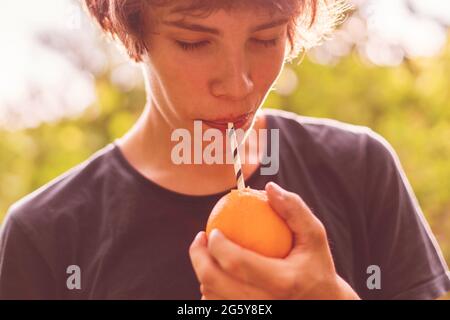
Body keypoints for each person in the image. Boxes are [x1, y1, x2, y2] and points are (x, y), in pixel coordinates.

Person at [1, 0, 449, 300]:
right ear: (125, 31)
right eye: (194, 42)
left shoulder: (362, 169)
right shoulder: (45, 235)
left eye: (265, 38)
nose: (238, 84)